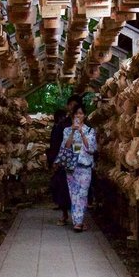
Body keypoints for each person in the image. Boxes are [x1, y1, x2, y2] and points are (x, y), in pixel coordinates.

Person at [60, 102, 97, 232]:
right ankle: (78, 222)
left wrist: (81, 133)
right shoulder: (67, 130)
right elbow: (66, 147)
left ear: (84, 116)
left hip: (85, 166)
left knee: (83, 193)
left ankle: (79, 220)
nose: (78, 116)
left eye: (81, 114)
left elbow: (92, 148)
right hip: (71, 166)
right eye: (76, 114)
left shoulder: (90, 131)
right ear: (72, 116)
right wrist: (73, 132)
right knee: (74, 194)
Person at [47, 95, 80, 223]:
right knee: (64, 188)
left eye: (75, 105)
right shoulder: (63, 124)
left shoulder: (83, 124)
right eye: (71, 104)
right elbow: (55, 143)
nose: (72, 107)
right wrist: (55, 160)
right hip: (64, 160)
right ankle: (65, 214)